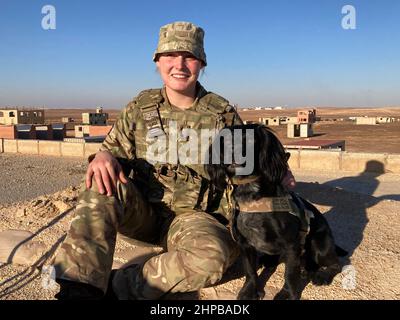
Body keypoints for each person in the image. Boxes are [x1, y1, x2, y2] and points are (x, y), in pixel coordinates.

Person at [53, 21, 296, 300]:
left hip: (196, 220)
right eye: (170, 56)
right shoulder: (139, 109)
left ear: (201, 64)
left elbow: (250, 157)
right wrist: (103, 156)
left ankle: (115, 286)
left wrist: (280, 173)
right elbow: (112, 152)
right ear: (157, 62)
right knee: (100, 181)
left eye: (189, 57)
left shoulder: (220, 114)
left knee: (211, 259)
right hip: (144, 214)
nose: (179, 64)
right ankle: (78, 288)